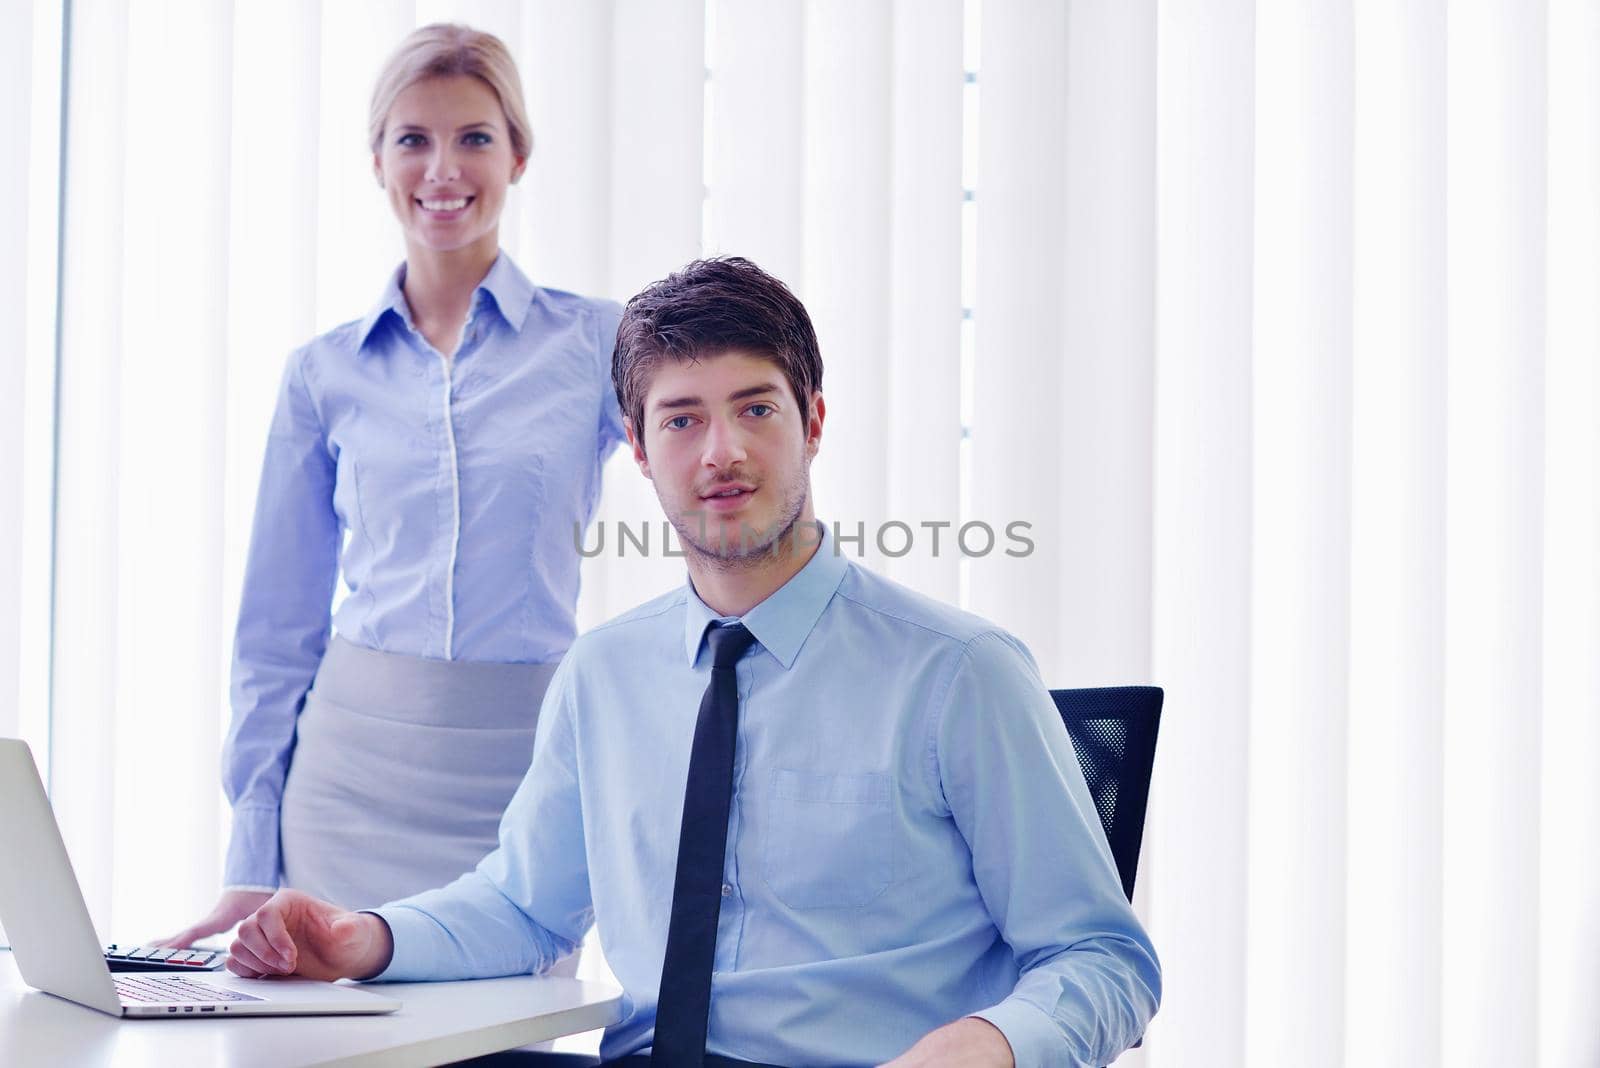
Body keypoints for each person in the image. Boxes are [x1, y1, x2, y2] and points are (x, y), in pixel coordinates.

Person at [225, 258, 1162, 1067]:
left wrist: (992, 1044)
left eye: (756, 408)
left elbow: (1104, 958)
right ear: (636, 447)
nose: (722, 452)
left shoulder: (961, 675)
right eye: (680, 420)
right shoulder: (600, 678)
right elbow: (522, 908)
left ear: (814, 421)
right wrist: (366, 937)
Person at [161, 24, 626, 948]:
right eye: (413, 138)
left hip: (521, 780)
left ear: (519, 155)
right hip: (347, 783)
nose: (442, 168)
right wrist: (251, 854)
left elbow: (707, 465)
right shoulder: (321, 374)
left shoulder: (599, 345)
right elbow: (274, 633)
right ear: (377, 160)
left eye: (475, 138)